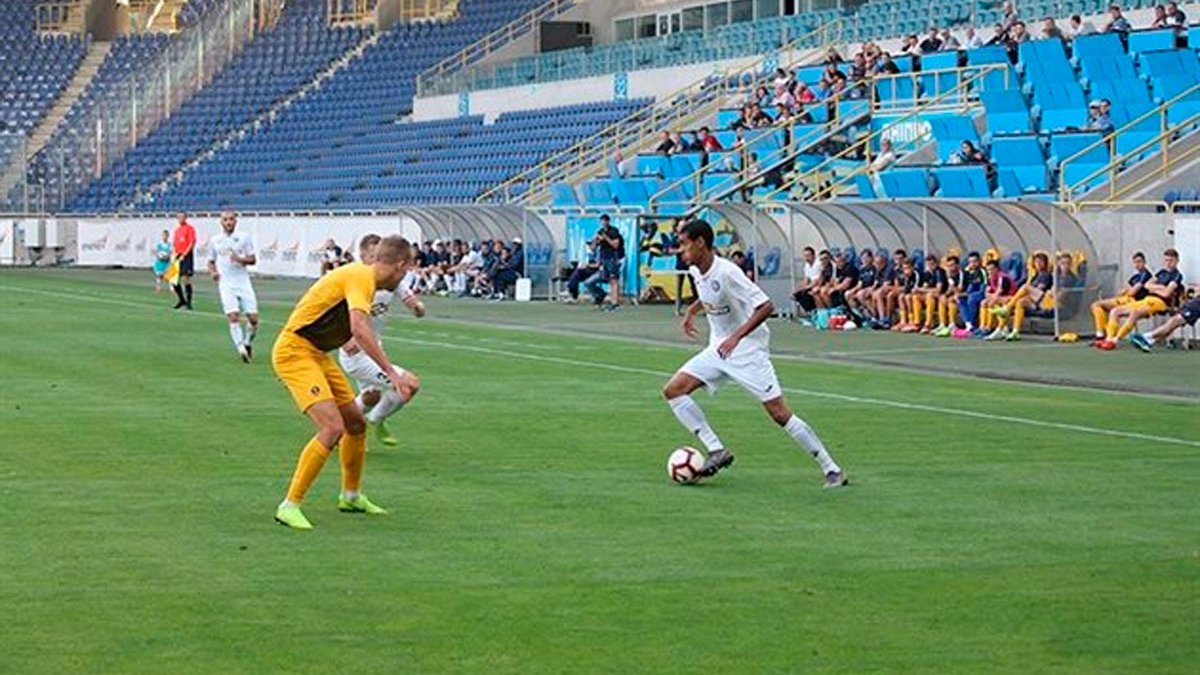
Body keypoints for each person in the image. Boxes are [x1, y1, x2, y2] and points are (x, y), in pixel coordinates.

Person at [661, 219, 848, 487]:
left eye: (683, 244)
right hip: (719, 349)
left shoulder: (728, 272)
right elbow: (711, 294)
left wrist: (736, 337)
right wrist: (692, 310)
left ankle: (832, 469)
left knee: (779, 413)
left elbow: (766, 306)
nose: (680, 250)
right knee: (673, 390)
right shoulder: (696, 270)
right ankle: (716, 449)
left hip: (747, 351)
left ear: (700, 242)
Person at [272, 235, 417, 531]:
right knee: (332, 427)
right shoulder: (361, 276)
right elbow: (359, 328)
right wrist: (391, 373)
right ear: (400, 265)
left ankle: (350, 497)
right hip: (294, 352)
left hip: (317, 353)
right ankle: (289, 505)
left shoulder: (364, 279)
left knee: (355, 424)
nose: (405, 277)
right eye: (407, 270)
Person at [337, 235, 424, 448]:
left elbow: (412, 302)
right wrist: (345, 339)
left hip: (374, 348)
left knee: (371, 397)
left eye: (379, 255)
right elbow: (338, 312)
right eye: (372, 255)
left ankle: (343, 429)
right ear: (362, 255)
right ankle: (373, 420)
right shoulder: (355, 280)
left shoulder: (391, 280)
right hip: (355, 354)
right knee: (409, 384)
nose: (377, 260)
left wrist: (417, 307)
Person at [1097, 248, 1184, 349]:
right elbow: (1147, 285)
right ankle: (1108, 339)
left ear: (1177, 261)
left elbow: (1166, 293)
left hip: (1159, 302)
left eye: (1171, 260)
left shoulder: (1177, 275)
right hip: (1147, 299)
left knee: (1135, 313)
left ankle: (1115, 340)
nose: (1168, 263)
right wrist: (1161, 287)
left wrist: (1155, 288)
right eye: (1166, 260)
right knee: (1115, 311)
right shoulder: (1161, 272)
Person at [206, 212, 260, 362]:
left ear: (236, 221)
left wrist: (240, 259)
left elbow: (253, 259)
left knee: (253, 319)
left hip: (243, 281)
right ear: (221, 222)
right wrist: (213, 273)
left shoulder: (244, 237)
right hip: (226, 283)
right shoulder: (215, 240)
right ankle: (241, 348)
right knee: (233, 315)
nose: (228, 222)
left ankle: (247, 342)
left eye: (231, 219)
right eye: (225, 220)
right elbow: (210, 261)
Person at [990, 251, 1053, 341]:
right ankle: (1007, 330)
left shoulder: (1045, 275)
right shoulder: (1034, 275)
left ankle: (1007, 308)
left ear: (1045, 263)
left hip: (1043, 302)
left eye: (1041, 261)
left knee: (1025, 288)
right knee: (1018, 302)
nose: (1038, 264)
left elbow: (1039, 290)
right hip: (1033, 301)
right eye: (1036, 261)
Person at [1090, 251, 1152, 342]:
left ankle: (1105, 334)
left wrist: (1127, 291)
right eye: (1135, 262)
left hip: (1134, 301)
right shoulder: (1135, 276)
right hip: (1125, 299)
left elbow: (1133, 292)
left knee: (1103, 307)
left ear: (1144, 262)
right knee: (1096, 305)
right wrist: (1126, 291)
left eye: (1139, 262)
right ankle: (1102, 333)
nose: (1137, 265)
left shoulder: (1146, 275)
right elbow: (1124, 290)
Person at [1129, 295, 1199, 351]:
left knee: (1174, 324)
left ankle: (1148, 340)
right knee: (1175, 322)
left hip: (1197, 305)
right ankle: (1145, 338)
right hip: (1196, 304)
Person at [585, 215, 625, 310]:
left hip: (612, 258)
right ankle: (609, 300)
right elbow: (592, 248)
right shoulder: (600, 231)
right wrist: (595, 240)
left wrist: (605, 238)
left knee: (614, 280)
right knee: (608, 280)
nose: (603, 223)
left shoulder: (613, 231)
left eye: (605, 221)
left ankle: (615, 303)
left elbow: (615, 245)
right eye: (602, 221)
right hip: (604, 259)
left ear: (608, 221)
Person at [977, 259, 1017, 337]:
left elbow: (999, 292)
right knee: (983, 302)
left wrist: (991, 298)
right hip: (999, 298)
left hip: (1011, 298)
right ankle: (982, 327)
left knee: (993, 303)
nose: (990, 271)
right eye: (988, 270)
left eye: (992, 269)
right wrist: (990, 297)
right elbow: (987, 292)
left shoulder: (1003, 277)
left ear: (997, 269)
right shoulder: (990, 278)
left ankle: (989, 328)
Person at [954, 251, 987, 336]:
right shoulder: (965, 272)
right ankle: (968, 325)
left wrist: (967, 294)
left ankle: (972, 324)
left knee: (971, 298)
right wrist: (957, 294)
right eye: (971, 262)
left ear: (979, 261)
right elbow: (961, 287)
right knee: (960, 298)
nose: (973, 264)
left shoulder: (982, 271)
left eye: (975, 261)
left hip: (981, 293)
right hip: (969, 293)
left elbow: (983, 289)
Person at [170, 212, 196, 310]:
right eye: (179, 217)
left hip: (186, 255)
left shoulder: (190, 228)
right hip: (178, 255)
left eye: (182, 217)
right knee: (173, 279)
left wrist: (184, 254)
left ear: (186, 218)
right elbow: (175, 244)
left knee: (186, 278)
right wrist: (175, 254)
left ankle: (189, 302)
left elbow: (191, 243)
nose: (181, 219)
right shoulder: (177, 230)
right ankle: (181, 300)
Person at [152, 229, 171, 294]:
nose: (164, 237)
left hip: (166, 263)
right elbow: (155, 252)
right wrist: (159, 256)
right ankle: (158, 288)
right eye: (163, 235)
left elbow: (170, 253)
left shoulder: (169, 245)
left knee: (167, 276)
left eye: (166, 235)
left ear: (168, 236)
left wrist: (167, 257)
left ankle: (171, 288)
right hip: (159, 262)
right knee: (159, 275)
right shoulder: (159, 245)